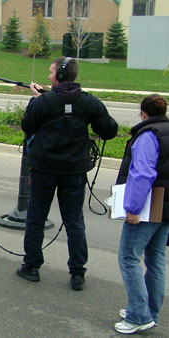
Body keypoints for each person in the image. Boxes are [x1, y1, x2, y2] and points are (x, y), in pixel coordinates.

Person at [16, 57, 118, 290]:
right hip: (74, 171)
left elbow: (27, 126)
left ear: (60, 76)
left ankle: (31, 266)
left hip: (43, 170)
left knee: (36, 218)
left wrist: (37, 101)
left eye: (51, 72)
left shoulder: (44, 102)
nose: (49, 76)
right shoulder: (88, 102)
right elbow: (109, 130)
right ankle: (77, 273)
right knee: (74, 222)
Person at [114, 94, 169, 334]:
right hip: (166, 206)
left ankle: (138, 315)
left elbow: (142, 173)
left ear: (143, 114)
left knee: (128, 257)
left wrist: (133, 209)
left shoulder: (148, 135)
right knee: (156, 261)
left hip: (148, 207)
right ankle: (149, 312)